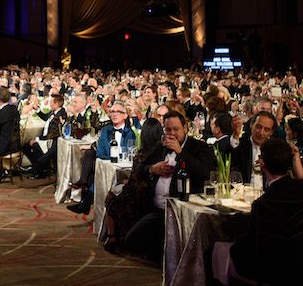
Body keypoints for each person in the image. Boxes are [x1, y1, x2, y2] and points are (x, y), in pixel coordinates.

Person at [122, 110, 216, 263]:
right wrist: (152, 168)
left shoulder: (199, 147)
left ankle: (171, 257)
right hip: (158, 209)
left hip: (182, 210)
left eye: (176, 129)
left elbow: (206, 173)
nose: (171, 134)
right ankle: (167, 254)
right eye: (168, 130)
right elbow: (139, 168)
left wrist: (180, 152)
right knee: (131, 240)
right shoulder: (161, 146)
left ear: (185, 128)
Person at [212, 137, 303, 285]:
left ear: (262, 164)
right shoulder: (299, 191)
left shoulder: (263, 204)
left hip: (271, 269)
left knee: (219, 250)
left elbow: (251, 245)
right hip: (298, 265)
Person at [102, 117, 164, 253]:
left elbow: (135, 180)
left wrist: (127, 182)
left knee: (112, 195)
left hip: (138, 196)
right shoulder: (163, 155)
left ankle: (112, 236)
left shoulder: (141, 155)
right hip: (149, 194)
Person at [66, 100, 137, 214]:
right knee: (98, 170)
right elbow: (100, 152)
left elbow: (131, 150)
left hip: (123, 168)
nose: (114, 114)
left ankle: (86, 204)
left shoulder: (130, 132)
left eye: (118, 112)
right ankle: (90, 205)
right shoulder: (105, 130)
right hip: (107, 165)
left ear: (125, 115)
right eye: (112, 112)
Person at [22, 92, 67, 179]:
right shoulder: (55, 112)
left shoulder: (61, 115)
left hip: (51, 140)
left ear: (56, 104)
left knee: (35, 145)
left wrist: (37, 139)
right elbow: (45, 117)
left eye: (51, 102)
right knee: (25, 147)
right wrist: (37, 109)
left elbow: (53, 133)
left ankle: (39, 171)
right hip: (46, 137)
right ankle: (37, 167)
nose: (49, 104)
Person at [230, 110, 276, 185]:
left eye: (266, 130)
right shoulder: (241, 144)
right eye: (258, 127)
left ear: (271, 132)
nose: (261, 133)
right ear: (251, 125)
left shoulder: (274, 150)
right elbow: (231, 157)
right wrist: (236, 134)